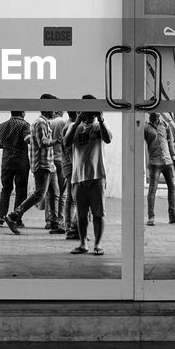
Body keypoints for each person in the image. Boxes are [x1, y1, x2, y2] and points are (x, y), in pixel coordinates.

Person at [65, 95, 112, 255]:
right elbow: (66, 142)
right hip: (78, 178)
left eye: (92, 111)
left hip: (97, 176)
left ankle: (97, 244)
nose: (89, 114)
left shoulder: (100, 126)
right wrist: (77, 122)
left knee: (99, 213)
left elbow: (108, 139)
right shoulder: (73, 126)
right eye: (87, 111)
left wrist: (101, 118)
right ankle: (83, 243)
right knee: (82, 214)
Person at [8, 97, 63, 234]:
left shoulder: (44, 122)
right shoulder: (40, 123)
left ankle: (54, 223)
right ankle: (13, 216)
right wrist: (57, 140)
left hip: (49, 164)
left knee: (55, 193)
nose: (55, 110)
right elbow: (42, 143)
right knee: (39, 194)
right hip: (42, 165)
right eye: (53, 107)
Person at [0, 111, 29, 234]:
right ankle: (16, 219)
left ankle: (1, 216)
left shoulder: (2, 125)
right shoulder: (25, 125)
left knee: (6, 188)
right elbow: (27, 139)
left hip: (6, 161)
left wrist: (6, 147)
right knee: (21, 190)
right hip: (21, 161)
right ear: (22, 113)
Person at [144, 111, 175, 226]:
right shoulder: (146, 128)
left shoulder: (165, 125)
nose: (156, 114)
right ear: (149, 112)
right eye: (153, 112)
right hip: (154, 163)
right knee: (152, 190)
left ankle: (172, 216)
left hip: (168, 162)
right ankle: (151, 217)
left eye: (158, 112)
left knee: (172, 188)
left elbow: (171, 143)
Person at [47, 104, 72, 236]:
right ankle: (60, 219)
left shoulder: (48, 122)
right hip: (61, 160)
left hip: (50, 159)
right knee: (63, 193)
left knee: (50, 193)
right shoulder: (64, 122)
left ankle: (49, 220)